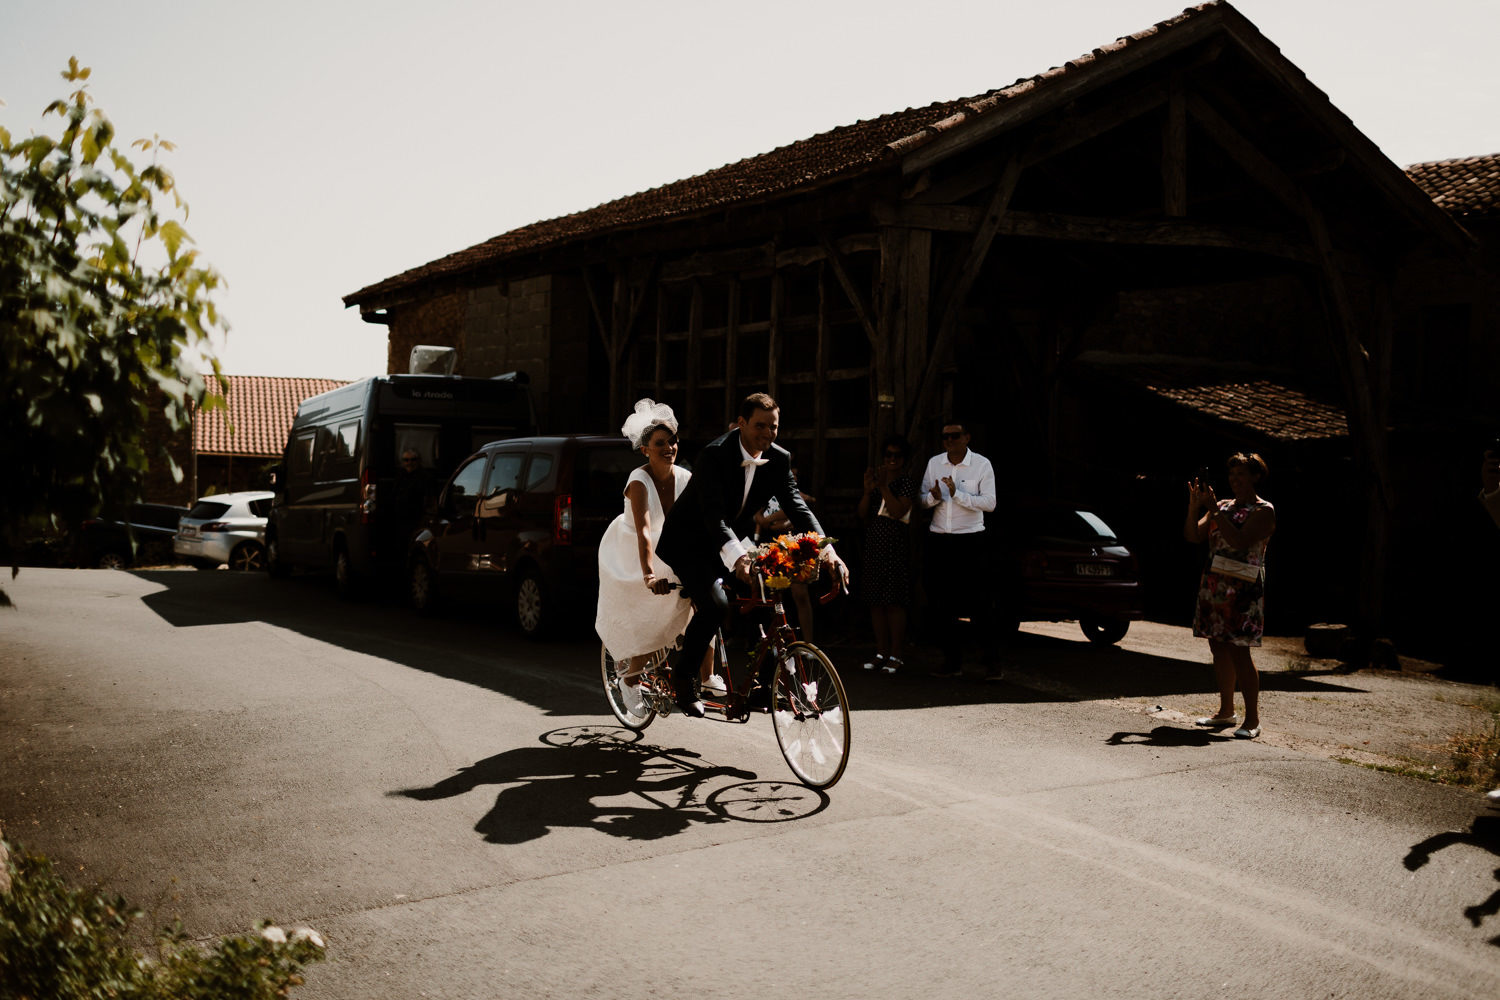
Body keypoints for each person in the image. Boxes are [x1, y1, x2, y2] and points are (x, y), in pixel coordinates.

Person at [657, 392, 850, 717]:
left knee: (768, 595)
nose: (767, 433)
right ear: (742, 423)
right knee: (716, 605)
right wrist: (740, 559)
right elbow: (714, 517)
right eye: (760, 425)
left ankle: (762, 686)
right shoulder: (714, 455)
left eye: (773, 427)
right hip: (690, 542)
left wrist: (827, 549)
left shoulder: (779, 458)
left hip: (731, 538)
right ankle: (684, 677)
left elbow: (798, 507)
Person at [594, 399, 721, 699]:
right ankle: (630, 680)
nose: (669, 448)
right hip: (633, 552)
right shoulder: (638, 481)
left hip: (672, 547)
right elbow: (644, 532)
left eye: (673, 441)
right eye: (660, 443)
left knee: (707, 601)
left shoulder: (686, 478)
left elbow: (701, 524)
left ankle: (708, 677)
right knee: (662, 611)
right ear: (645, 450)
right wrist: (649, 575)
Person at [1185, 452, 1276, 740]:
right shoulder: (1222, 505)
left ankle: (1252, 719)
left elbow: (1238, 540)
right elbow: (1192, 536)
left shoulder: (1264, 510)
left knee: (1239, 650)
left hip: (1243, 589)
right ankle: (1226, 711)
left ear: (1256, 477)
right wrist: (1194, 507)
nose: (1235, 480)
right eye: (1232, 474)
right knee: (1218, 647)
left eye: (1241, 474)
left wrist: (1214, 510)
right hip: (1215, 585)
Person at [919, 420, 998, 680]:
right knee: (942, 603)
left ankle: (991, 663)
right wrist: (933, 497)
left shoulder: (981, 464)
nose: (949, 441)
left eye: (954, 436)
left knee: (979, 602)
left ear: (967, 437)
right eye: (945, 437)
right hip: (940, 538)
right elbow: (922, 499)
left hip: (970, 539)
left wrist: (957, 494)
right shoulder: (935, 463)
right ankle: (952, 662)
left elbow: (990, 503)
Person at [858, 435, 916, 674]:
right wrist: (867, 491)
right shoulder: (876, 483)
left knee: (893, 602)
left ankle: (896, 655)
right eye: (888, 455)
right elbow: (862, 514)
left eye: (897, 456)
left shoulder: (906, 483)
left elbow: (898, 511)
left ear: (904, 459)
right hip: (874, 545)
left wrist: (882, 487)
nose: (892, 459)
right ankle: (880, 652)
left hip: (895, 546)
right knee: (876, 601)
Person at [752, 466, 817, 642]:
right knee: (775, 594)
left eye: (795, 475)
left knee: (799, 592)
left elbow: (794, 513)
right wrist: (764, 521)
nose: (793, 477)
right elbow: (756, 514)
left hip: (794, 546)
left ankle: (808, 642)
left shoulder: (798, 494)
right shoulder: (767, 491)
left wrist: (769, 521)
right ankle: (777, 640)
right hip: (771, 544)